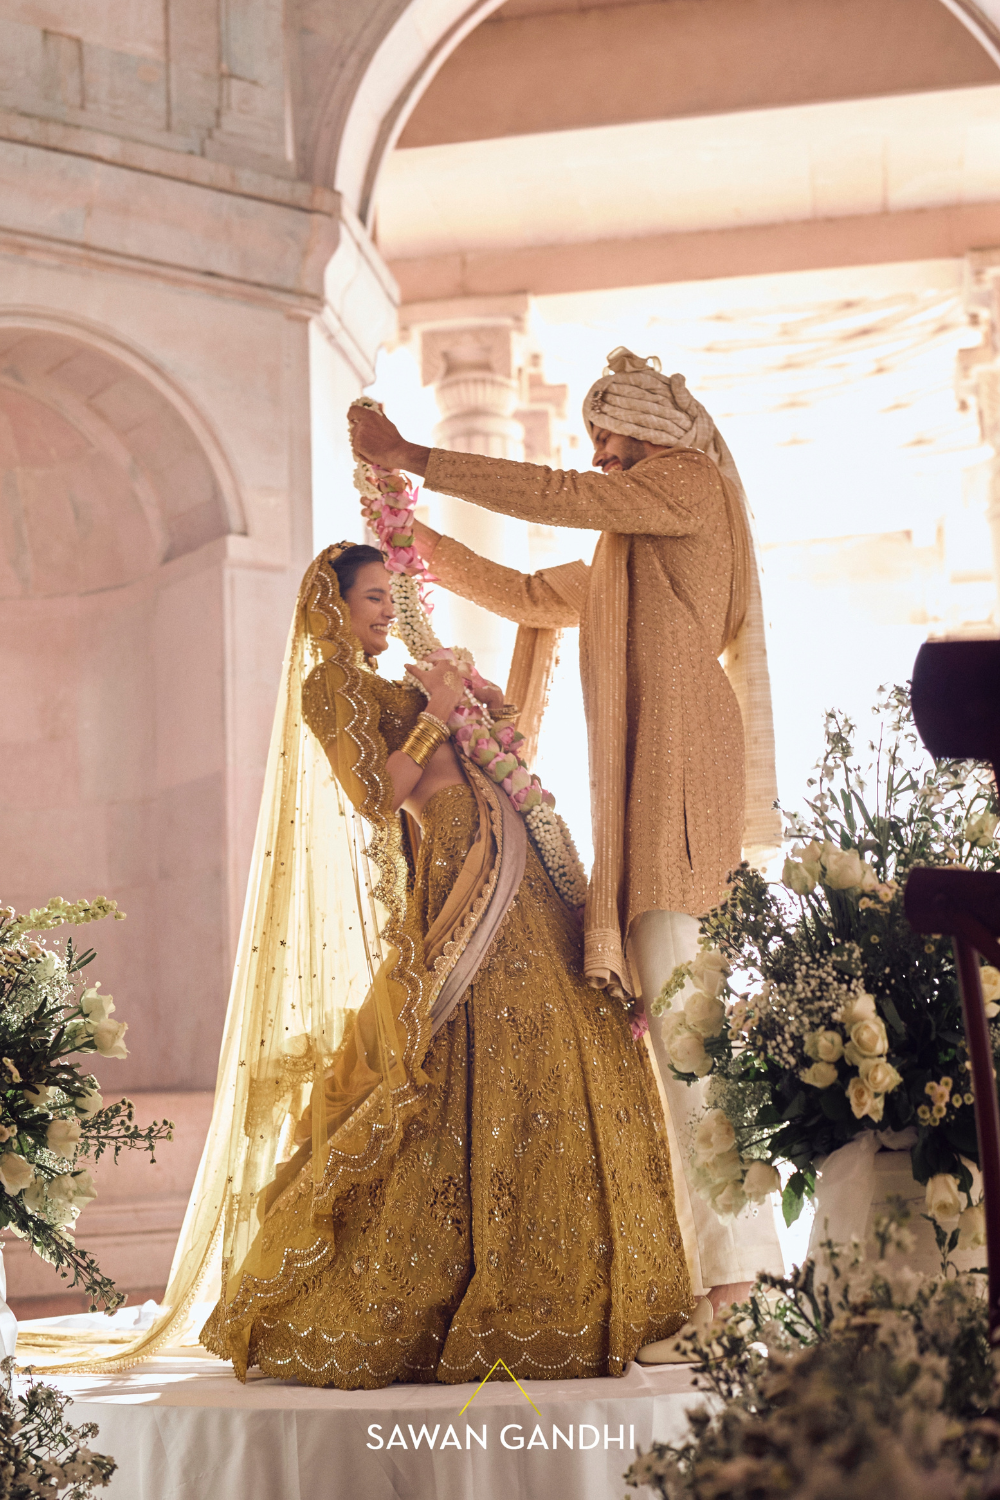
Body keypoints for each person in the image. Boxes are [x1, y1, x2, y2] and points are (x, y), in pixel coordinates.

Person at [348, 350, 785, 1316]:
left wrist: (414, 455)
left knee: (691, 1033)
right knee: (677, 1034)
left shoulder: (687, 484)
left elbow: (561, 497)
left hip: (682, 783)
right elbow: (526, 593)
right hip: (657, 792)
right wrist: (408, 539)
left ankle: (739, 1282)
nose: (597, 457)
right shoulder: (635, 558)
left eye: (607, 436)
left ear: (650, 428)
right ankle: (719, 1276)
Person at [198, 540, 693, 1388]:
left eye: (390, 597)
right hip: (463, 883)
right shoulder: (330, 685)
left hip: (514, 873)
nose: (386, 613)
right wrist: (436, 711)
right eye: (372, 598)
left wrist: (482, 715)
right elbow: (375, 795)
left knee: (567, 1043)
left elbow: (476, 761)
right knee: (480, 1061)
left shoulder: (396, 684)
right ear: (333, 605)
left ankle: (587, 1287)